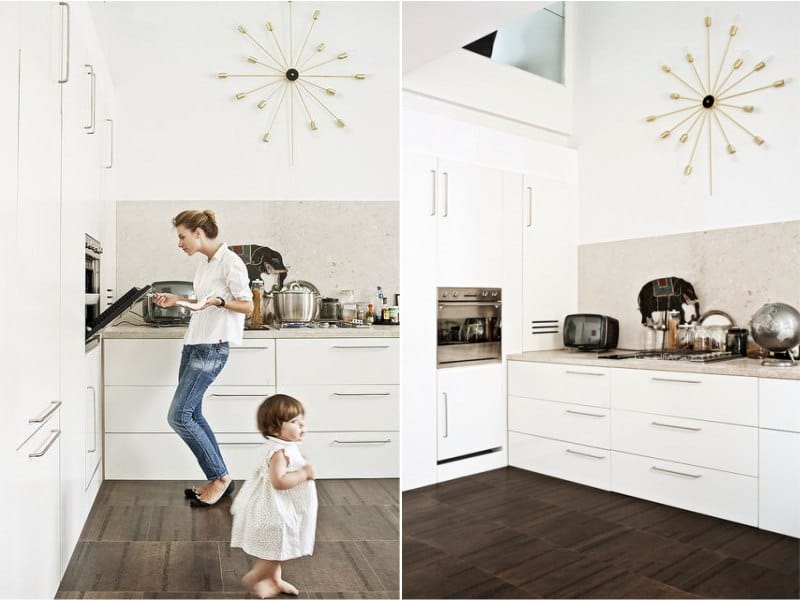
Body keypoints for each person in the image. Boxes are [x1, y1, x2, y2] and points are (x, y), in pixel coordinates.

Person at [153, 209, 254, 507]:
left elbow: (247, 305)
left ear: (198, 232)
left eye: (182, 236)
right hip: (194, 344)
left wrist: (220, 301)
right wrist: (178, 301)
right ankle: (218, 478)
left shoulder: (230, 262)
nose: (180, 243)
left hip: (212, 347)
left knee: (179, 415)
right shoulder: (206, 264)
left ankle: (220, 477)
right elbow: (202, 303)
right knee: (192, 414)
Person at [230, 394, 318, 598]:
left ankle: (275, 581)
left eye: (301, 420)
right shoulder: (279, 452)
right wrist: (304, 473)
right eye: (295, 422)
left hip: (282, 507)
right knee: (279, 548)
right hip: (276, 510)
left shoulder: (284, 447)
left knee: (279, 548)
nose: (302, 425)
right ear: (274, 429)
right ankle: (257, 577)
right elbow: (279, 482)